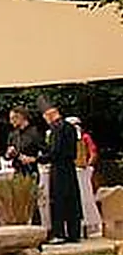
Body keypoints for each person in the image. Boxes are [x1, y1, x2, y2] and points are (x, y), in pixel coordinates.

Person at [40, 104, 83, 243]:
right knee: (72, 199)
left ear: (49, 115)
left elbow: (55, 151)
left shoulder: (56, 129)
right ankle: (74, 233)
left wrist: (39, 158)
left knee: (58, 200)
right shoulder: (70, 127)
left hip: (59, 168)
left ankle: (59, 233)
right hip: (70, 167)